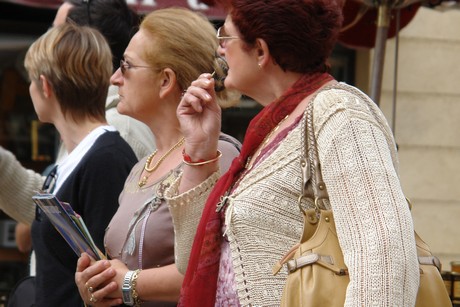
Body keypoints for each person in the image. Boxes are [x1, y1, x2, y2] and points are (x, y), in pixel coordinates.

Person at [164, 0, 421, 306]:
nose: (220, 50)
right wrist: (200, 149)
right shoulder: (273, 129)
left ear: (261, 51)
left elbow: (385, 260)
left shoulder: (340, 113)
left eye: (225, 37)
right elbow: (188, 260)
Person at [74, 8, 241, 307]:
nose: (114, 79)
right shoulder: (141, 166)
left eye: (126, 66)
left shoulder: (218, 155)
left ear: (165, 80)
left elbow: (217, 269)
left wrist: (125, 283)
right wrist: (96, 283)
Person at [0, 0, 154, 230]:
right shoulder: (96, 133)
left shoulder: (117, 135)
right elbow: (66, 213)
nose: (47, 39)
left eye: (58, 32)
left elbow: (98, 247)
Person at [24, 22, 137, 306]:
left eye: (30, 80)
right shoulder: (77, 158)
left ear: (45, 86)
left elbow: (109, 279)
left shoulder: (106, 160)